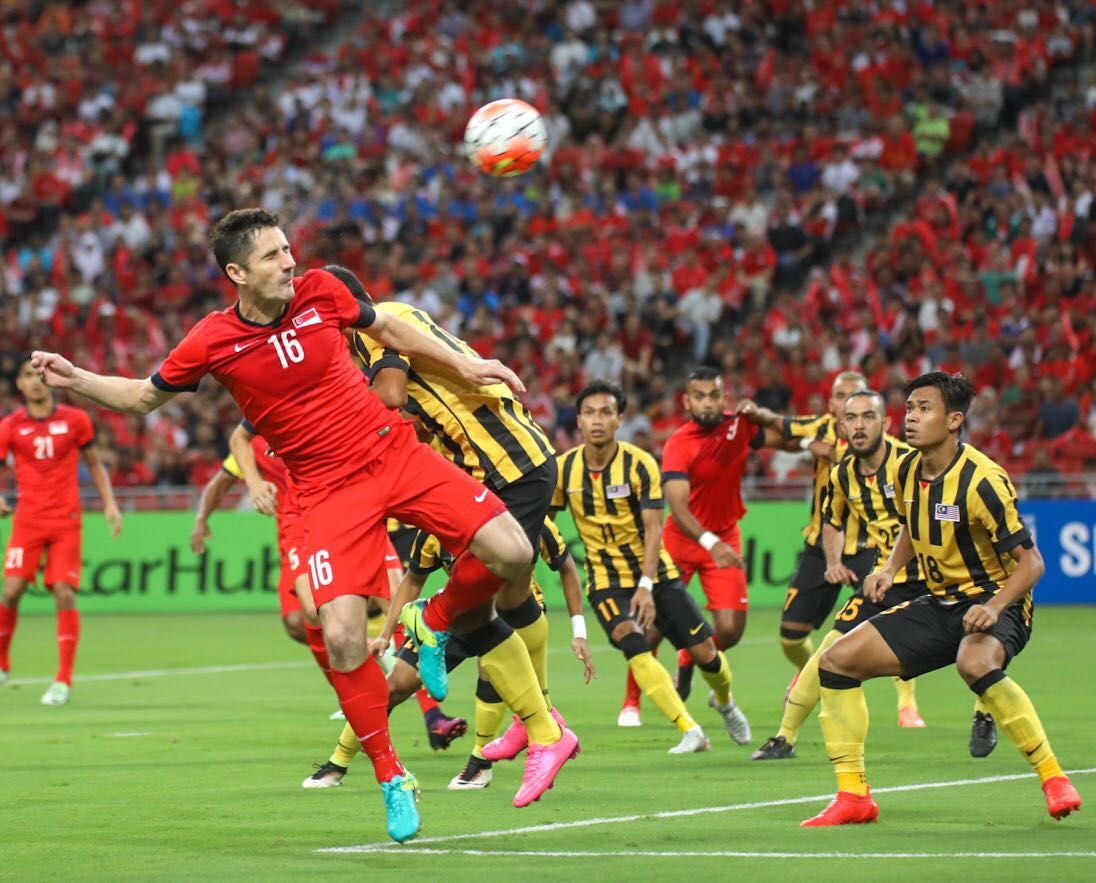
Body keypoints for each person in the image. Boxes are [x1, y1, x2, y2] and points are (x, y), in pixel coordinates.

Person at [29, 208, 575, 843]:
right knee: (342, 638)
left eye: (288, 249)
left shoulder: (323, 290)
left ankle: (434, 616)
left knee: (511, 550)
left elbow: (391, 330)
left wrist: (469, 365)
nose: (290, 262)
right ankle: (392, 775)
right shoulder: (210, 338)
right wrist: (78, 379)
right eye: (272, 256)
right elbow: (143, 395)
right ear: (237, 272)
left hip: (391, 452)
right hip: (325, 490)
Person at [801, 373, 1082, 826]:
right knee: (836, 661)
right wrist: (889, 570)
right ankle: (854, 796)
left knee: (974, 662)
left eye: (923, 409)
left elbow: (1031, 564)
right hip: (940, 602)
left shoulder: (984, 481)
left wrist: (993, 607)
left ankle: (1053, 777)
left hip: (998, 600)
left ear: (954, 420)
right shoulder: (907, 469)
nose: (911, 418)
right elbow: (915, 524)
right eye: (909, 408)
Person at [351, 298, 582, 796]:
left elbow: (389, 394)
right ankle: (535, 716)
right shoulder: (401, 313)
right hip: (524, 457)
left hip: (503, 468)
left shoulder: (367, 333)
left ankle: (544, 728)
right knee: (510, 602)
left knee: (477, 605)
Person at [191, 422, 466, 768]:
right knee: (304, 615)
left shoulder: (336, 410)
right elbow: (226, 469)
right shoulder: (257, 437)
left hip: (359, 515)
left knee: (398, 602)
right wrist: (205, 516)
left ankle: (432, 716)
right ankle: (354, 683)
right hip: (303, 524)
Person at [552, 381, 743, 753]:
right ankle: (690, 729)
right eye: (589, 412)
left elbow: (656, 529)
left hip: (657, 575)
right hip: (605, 580)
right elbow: (544, 518)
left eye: (606, 413)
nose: (597, 420)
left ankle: (725, 701)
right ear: (578, 420)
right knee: (633, 644)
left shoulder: (639, 464)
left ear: (619, 420)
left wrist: (645, 583)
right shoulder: (564, 470)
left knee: (706, 655)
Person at [752, 389, 929, 761]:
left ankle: (983, 711)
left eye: (868, 417)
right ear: (841, 425)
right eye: (852, 418)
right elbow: (832, 521)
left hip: (935, 576)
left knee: (976, 653)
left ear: (886, 423)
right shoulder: (842, 474)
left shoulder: (911, 463)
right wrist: (834, 561)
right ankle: (785, 738)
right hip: (887, 581)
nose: (860, 425)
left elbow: (923, 521)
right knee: (828, 650)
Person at [355, 516, 594, 792]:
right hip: (457, 611)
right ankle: (338, 762)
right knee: (398, 681)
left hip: (514, 616)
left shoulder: (527, 512)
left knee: (491, 668)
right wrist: (385, 633)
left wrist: (580, 631)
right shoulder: (437, 525)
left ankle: (481, 762)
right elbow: (412, 581)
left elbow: (566, 568)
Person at [619, 367, 758, 744]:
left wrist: (807, 441)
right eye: (700, 395)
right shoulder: (679, 443)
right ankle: (631, 702)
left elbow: (782, 436)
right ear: (687, 401)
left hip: (725, 533)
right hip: (681, 541)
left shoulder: (740, 426)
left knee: (730, 630)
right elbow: (678, 509)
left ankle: (688, 659)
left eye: (714, 395)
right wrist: (711, 542)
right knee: (650, 628)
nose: (708, 402)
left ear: (724, 397)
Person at [0, 357, 122, 705]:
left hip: (65, 521)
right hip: (27, 520)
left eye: (39, 374)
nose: (35, 381)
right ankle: (3, 663)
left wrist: (110, 503)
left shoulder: (76, 421)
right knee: (10, 591)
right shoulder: (10, 426)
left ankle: (63, 680)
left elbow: (95, 464)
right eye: (26, 375)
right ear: (19, 386)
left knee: (64, 593)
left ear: (49, 379)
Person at [737, 371, 867, 672]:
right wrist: (753, 413)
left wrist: (807, 444)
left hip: (868, 544)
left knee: (892, 619)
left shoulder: (876, 442)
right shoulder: (820, 428)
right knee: (791, 636)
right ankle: (808, 676)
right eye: (839, 396)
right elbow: (779, 423)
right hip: (821, 544)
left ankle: (907, 703)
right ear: (831, 404)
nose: (846, 402)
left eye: (854, 396)